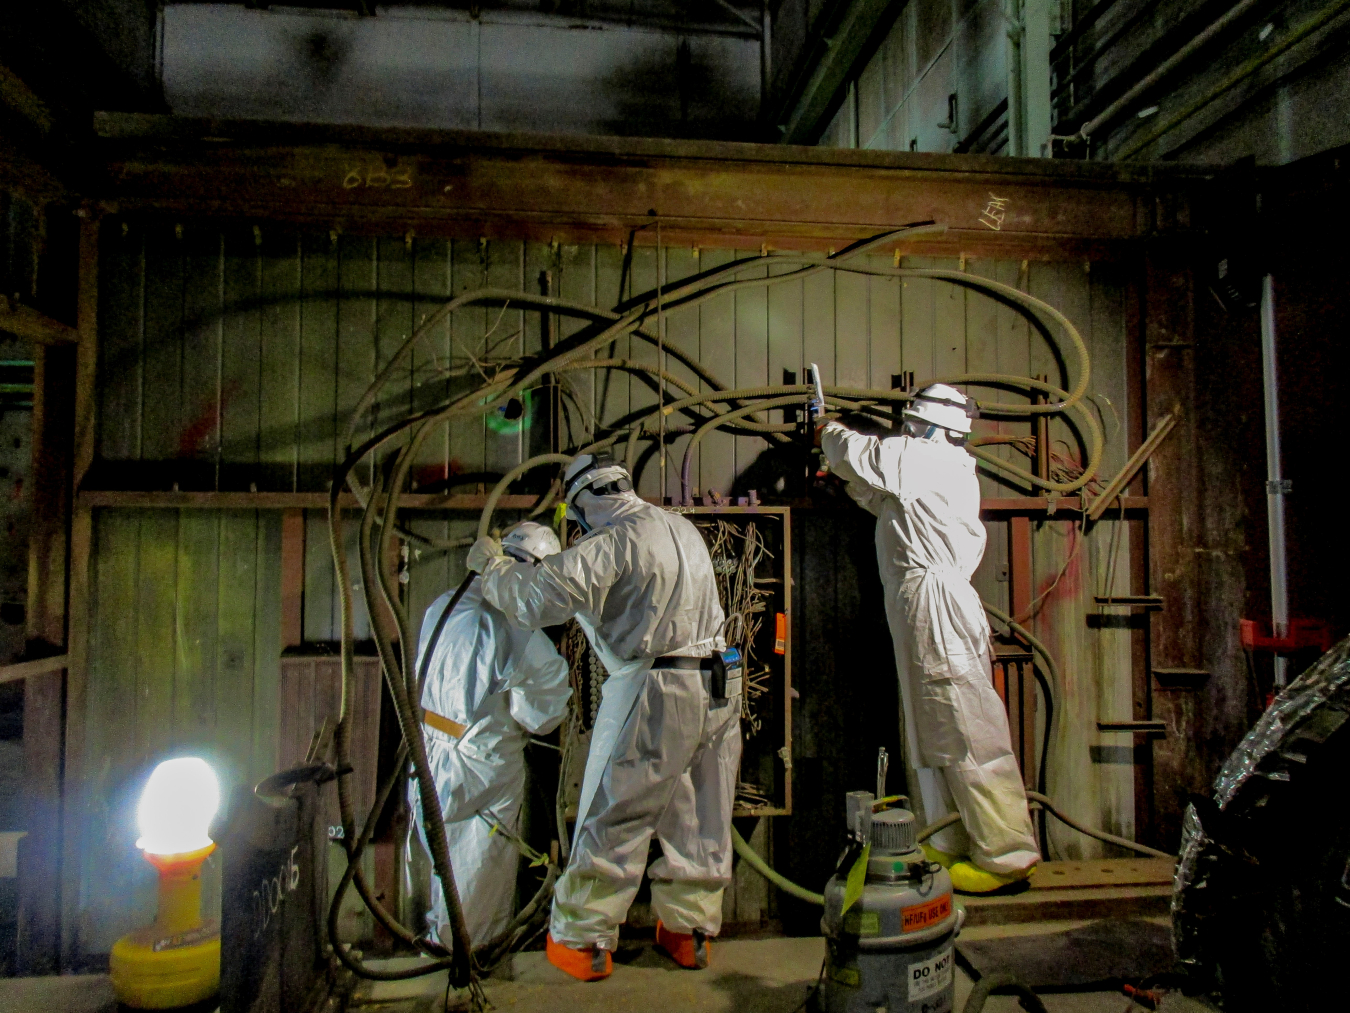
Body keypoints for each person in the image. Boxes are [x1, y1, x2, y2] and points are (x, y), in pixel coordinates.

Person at [466, 453, 737, 981]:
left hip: (655, 685)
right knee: (700, 814)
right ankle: (690, 931)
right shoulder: (679, 527)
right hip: (720, 682)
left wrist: (492, 568)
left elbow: (536, 600)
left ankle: (581, 939)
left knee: (611, 813)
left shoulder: (611, 541)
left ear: (582, 503)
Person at [817, 383, 1040, 893]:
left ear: (931, 427)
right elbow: (884, 499)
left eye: (913, 423)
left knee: (965, 726)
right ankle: (950, 835)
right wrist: (846, 483)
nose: (907, 430)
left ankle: (1007, 856)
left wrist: (825, 430)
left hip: (936, 604)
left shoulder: (931, 458)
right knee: (933, 726)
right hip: (920, 605)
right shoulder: (929, 468)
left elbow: (862, 454)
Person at [408, 521, 572, 952]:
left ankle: (438, 941)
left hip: (427, 752)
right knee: (480, 867)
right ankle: (471, 958)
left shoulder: (445, 605)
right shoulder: (526, 639)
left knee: (442, 862)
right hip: (482, 764)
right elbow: (542, 717)